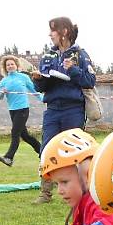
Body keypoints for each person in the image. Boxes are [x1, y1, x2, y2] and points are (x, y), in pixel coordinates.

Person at [30, 17, 96, 204]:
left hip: (73, 109)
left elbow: (90, 81)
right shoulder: (48, 56)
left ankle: (83, 189)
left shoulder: (80, 55)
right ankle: (45, 192)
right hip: (52, 109)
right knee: (47, 149)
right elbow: (40, 88)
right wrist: (39, 79)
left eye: (53, 30)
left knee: (76, 151)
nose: (50, 34)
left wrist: (73, 70)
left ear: (64, 32)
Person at [0, 55, 41, 167]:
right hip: (12, 110)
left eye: (12, 64)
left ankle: (9, 157)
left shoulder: (23, 77)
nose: (10, 66)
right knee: (25, 136)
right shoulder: (4, 81)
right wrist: (2, 92)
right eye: (8, 65)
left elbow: (34, 90)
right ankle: (42, 151)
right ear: (5, 68)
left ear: (16, 65)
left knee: (15, 132)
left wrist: (44, 99)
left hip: (23, 109)